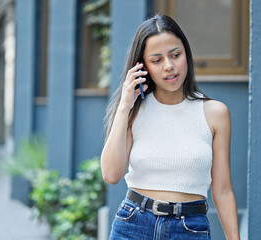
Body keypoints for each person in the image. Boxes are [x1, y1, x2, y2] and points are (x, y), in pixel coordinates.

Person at [101, 14, 240, 240]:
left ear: (187, 54)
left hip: (189, 229)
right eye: (156, 60)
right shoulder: (133, 111)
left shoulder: (215, 114)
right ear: (142, 65)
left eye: (175, 55)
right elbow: (110, 174)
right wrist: (125, 105)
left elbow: (223, 190)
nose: (169, 66)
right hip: (133, 224)